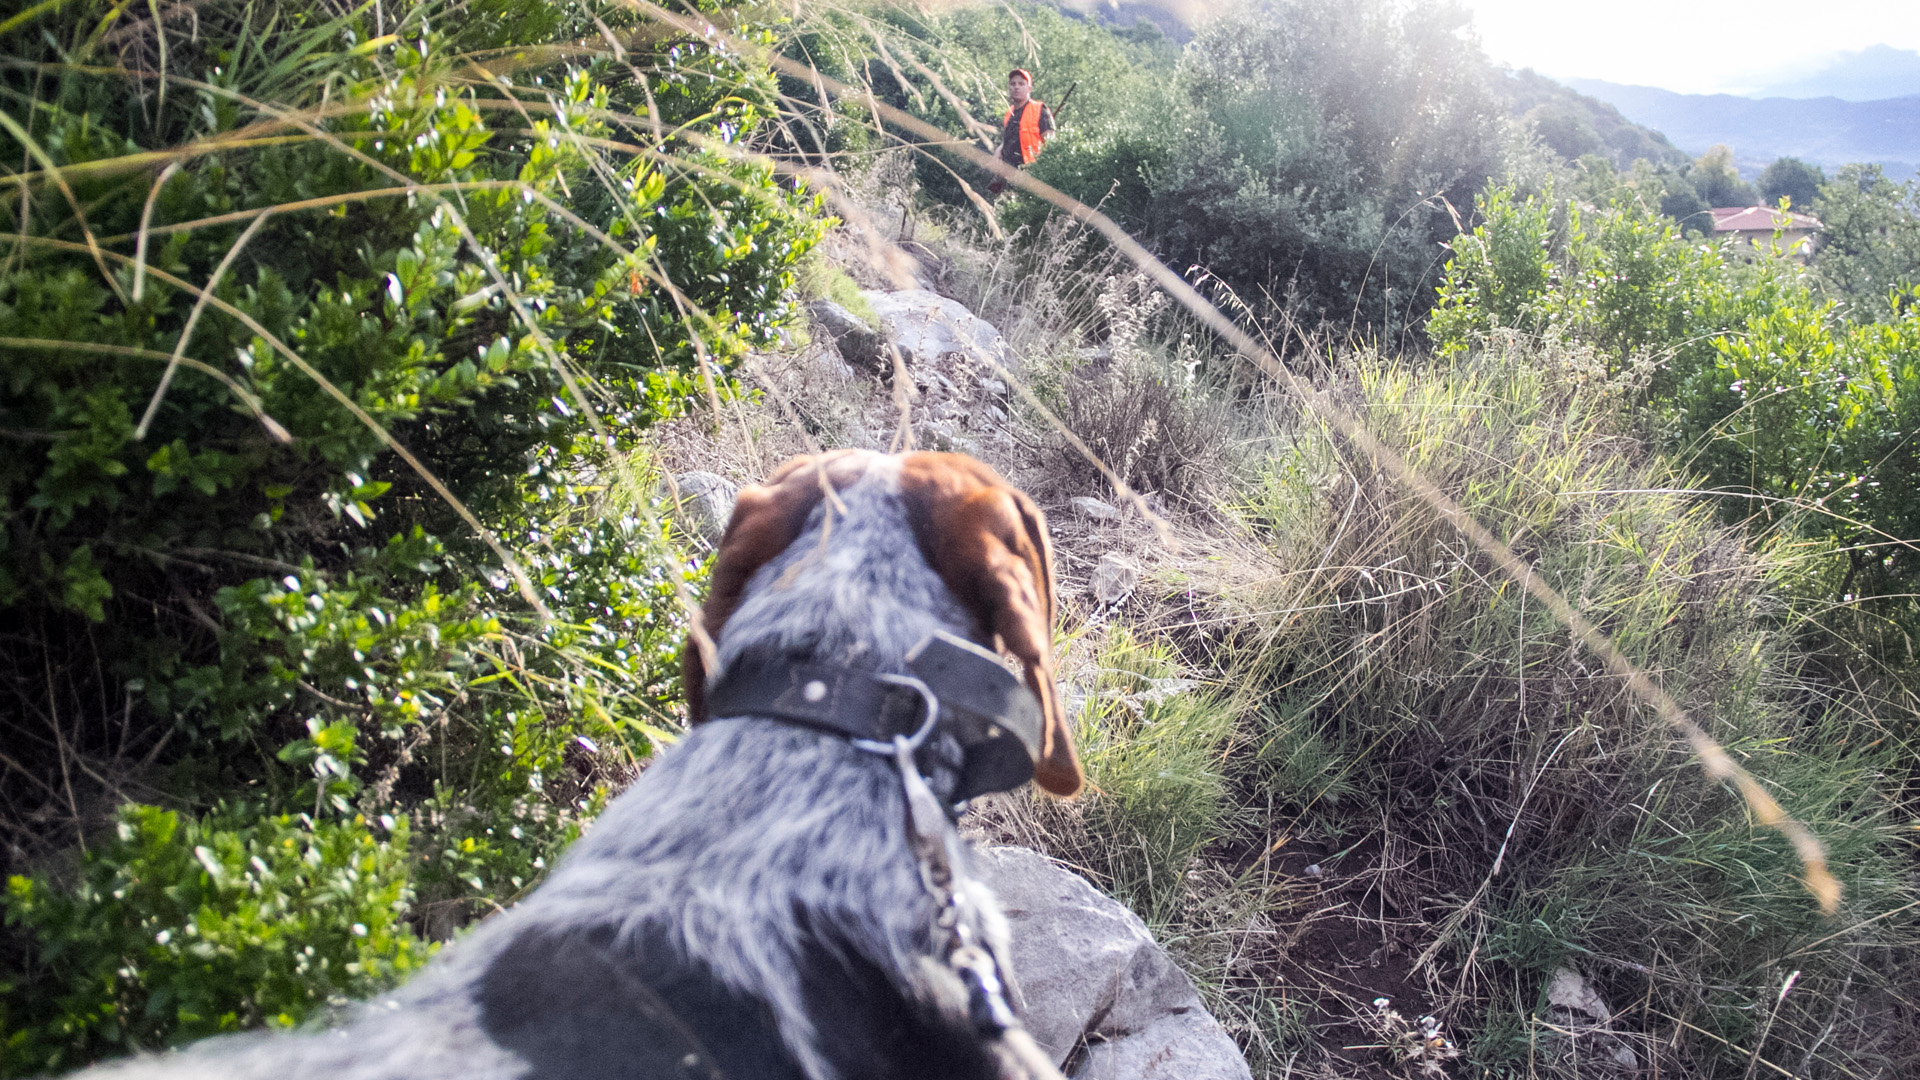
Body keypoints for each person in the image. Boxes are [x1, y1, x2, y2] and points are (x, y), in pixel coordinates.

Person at [988, 68, 1053, 195]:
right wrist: (999, 150)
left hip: (1030, 172)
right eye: (1013, 84)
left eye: (1021, 84)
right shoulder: (1009, 113)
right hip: (1008, 172)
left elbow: (1051, 142)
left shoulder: (1039, 110)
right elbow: (1012, 138)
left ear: (1029, 88)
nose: (1016, 87)